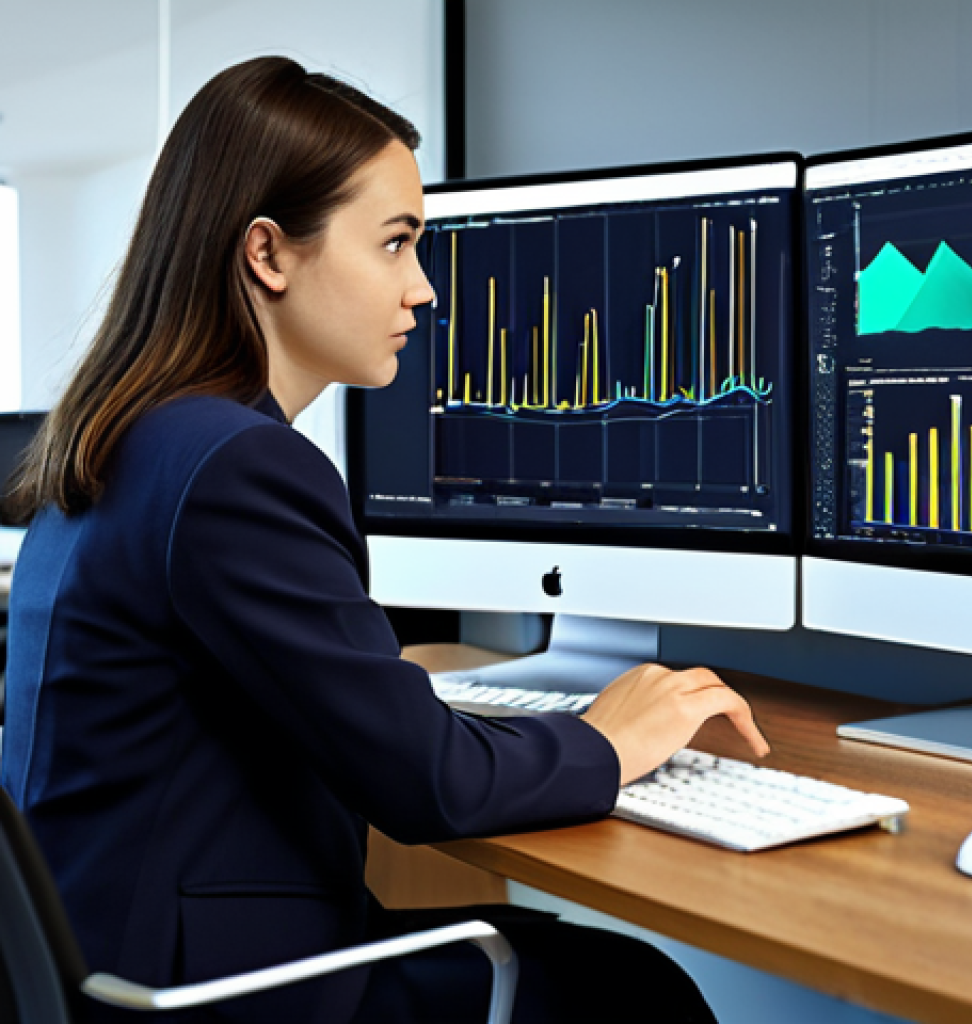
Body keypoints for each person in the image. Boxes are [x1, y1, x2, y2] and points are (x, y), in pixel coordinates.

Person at [0, 57, 769, 1024]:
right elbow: (424, 783)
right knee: (636, 993)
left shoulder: (132, 436)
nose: (424, 291)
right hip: (211, 993)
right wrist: (605, 741)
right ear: (269, 254)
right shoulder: (236, 464)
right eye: (396, 245)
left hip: (115, 963)